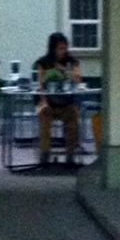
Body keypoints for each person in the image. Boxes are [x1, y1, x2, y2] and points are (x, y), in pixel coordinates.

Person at [34, 32, 82, 166]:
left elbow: (78, 80)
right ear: (52, 48)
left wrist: (65, 71)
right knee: (43, 117)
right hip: (49, 103)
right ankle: (45, 154)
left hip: (67, 103)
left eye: (65, 48)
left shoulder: (72, 62)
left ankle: (70, 154)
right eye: (60, 48)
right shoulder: (44, 62)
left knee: (73, 119)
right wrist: (43, 102)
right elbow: (41, 85)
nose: (63, 51)